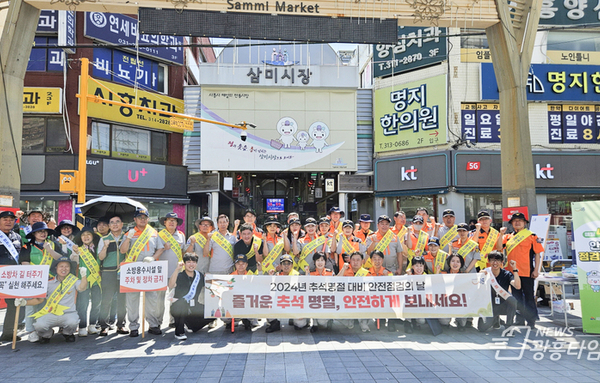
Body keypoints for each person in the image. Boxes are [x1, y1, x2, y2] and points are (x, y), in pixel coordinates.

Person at [120, 208, 165, 337]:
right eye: (139, 217)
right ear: (135, 219)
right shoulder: (130, 233)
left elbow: (160, 248)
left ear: (148, 219)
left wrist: (153, 257)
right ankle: (133, 326)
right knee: (132, 300)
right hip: (133, 270)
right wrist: (128, 238)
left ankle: (153, 324)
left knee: (152, 298)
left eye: (144, 217)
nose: (142, 219)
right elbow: (123, 251)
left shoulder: (153, 233)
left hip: (149, 269)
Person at [22, 257, 88, 343]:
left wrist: (83, 276)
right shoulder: (48, 282)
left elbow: (82, 288)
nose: (64, 269)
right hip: (50, 313)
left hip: (68, 313)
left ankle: (67, 333)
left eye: (66, 266)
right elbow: (39, 300)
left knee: (73, 322)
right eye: (61, 266)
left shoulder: (73, 281)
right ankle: (47, 334)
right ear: (56, 268)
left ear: (70, 268)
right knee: (39, 325)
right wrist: (24, 302)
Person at [19, 221, 63, 342]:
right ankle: (31, 330)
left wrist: (50, 250)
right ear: (34, 234)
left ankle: (44, 329)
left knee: (46, 306)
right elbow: (24, 264)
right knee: (31, 306)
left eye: (44, 231)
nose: (42, 233)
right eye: (39, 231)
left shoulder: (53, 244)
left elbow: (62, 260)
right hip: (33, 281)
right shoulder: (27, 247)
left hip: (51, 281)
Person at [502, 212, 544, 328]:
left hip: (527, 272)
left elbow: (537, 254)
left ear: (525, 223)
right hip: (512, 273)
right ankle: (519, 319)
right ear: (511, 223)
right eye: (514, 220)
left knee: (529, 297)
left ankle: (531, 321)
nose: (517, 222)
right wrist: (501, 234)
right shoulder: (508, 237)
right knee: (516, 298)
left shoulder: (531, 236)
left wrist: (536, 270)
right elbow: (500, 247)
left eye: (520, 220)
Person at [168, 253, 213, 340]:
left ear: (196, 264)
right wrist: (177, 269)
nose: (191, 264)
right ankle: (179, 332)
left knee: (212, 312)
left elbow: (209, 287)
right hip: (179, 307)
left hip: (194, 307)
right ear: (184, 264)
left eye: (193, 262)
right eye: (188, 262)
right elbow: (170, 285)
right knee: (182, 304)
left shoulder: (199, 275)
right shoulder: (180, 275)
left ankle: (191, 326)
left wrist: (209, 277)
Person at [97, 214, 128, 336]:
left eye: (117, 222)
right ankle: (103, 326)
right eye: (112, 222)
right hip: (108, 272)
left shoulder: (126, 238)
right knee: (106, 300)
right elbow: (100, 257)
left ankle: (121, 325)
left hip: (123, 272)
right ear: (109, 226)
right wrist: (105, 247)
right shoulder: (104, 239)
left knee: (122, 300)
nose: (115, 224)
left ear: (122, 224)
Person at [478, 251, 520, 332]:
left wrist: (515, 269)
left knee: (512, 300)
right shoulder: (485, 273)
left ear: (501, 262)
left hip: (503, 304)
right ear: (489, 261)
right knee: (482, 328)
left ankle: (509, 327)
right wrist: (480, 275)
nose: (495, 262)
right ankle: (496, 319)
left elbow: (517, 286)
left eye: (497, 260)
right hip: (490, 306)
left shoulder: (507, 274)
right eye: (492, 260)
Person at [157, 212, 186, 329]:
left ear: (177, 223)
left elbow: (183, 252)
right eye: (169, 220)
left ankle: (173, 320)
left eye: (174, 220)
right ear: (165, 222)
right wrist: (164, 248)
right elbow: (154, 252)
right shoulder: (159, 235)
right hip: (161, 272)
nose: (171, 222)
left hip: (176, 272)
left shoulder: (181, 236)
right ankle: (157, 322)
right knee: (159, 299)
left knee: (174, 298)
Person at [72, 226, 102, 337]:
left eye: (88, 234)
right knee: (82, 304)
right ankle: (82, 326)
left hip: (96, 280)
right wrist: (75, 253)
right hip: (83, 279)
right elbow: (73, 260)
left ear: (93, 236)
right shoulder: (77, 249)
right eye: (83, 235)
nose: (86, 237)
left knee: (97, 301)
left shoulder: (98, 247)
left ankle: (93, 325)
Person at [265, 254, 302, 333]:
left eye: (288, 263)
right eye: (284, 264)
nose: (286, 266)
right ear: (280, 266)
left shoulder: (298, 275)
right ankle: (275, 324)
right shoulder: (277, 276)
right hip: (281, 302)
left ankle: (299, 322)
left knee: (300, 323)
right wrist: (270, 278)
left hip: (294, 302)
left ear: (292, 265)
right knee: (267, 305)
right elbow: (269, 290)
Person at [0, 210, 22, 342]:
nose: (8, 221)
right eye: (5, 219)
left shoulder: (16, 237)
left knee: (13, 304)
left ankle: (8, 333)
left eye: (11, 219)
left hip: (12, 277)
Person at [338, 252, 370, 332]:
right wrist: (343, 269)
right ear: (350, 261)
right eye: (353, 260)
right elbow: (336, 281)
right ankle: (349, 321)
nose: (355, 262)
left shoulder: (367, 273)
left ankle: (363, 323)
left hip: (361, 300)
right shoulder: (345, 270)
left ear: (362, 261)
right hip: (347, 299)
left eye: (358, 260)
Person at [305, 252, 333, 333]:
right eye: (317, 260)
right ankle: (315, 324)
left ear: (325, 262)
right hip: (315, 299)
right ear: (314, 262)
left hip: (326, 300)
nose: (320, 263)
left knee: (322, 322)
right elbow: (306, 287)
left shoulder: (330, 272)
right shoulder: (311, 272)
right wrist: (307, 273)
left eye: (322, 260)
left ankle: (329, 319)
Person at [229, 254, 259, 331]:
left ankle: (247, 320)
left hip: (247, 302)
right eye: (238, 263)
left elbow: (259, 286)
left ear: (246, 265)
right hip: (235, 302)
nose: (241, 266)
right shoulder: (230, 276)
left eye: (243, 263)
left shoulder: (250, 275)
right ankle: (231, 322)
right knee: (224, 316)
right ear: (235, 264)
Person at [440, 254, 468, 331]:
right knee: (444, 322)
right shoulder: (443, 274)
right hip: (445, 303)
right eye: (453, 261)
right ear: (449, 263)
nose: (455, 264)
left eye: (458, 262)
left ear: (461, 264)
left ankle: (459, 321)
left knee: (463, 323)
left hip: (459, 303)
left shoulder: (465, 276)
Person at [404, 256, 430, 333]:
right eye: (416, 266)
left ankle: (414, 321)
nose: (419, 268)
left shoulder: (427, 277)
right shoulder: (407, 276)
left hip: (421, 303)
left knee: (422, 321)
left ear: (424, 266)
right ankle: (407, 322)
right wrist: (409, 278)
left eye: (421, 266)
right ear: (412, 266)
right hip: (409, 302)